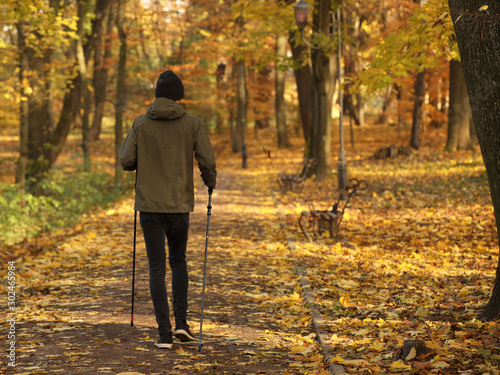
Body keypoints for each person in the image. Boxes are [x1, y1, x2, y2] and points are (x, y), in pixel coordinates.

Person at [119, 70, 217, 349]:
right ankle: (182, 325)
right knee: (178, 261)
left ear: (157, 94)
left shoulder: (140, 123)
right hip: (179, 206)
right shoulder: (193, 124)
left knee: (155, 268)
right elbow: (206, 160)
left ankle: (163, 333)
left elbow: (126, 160)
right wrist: (209, 181)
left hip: (149, 206)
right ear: (179, 96)